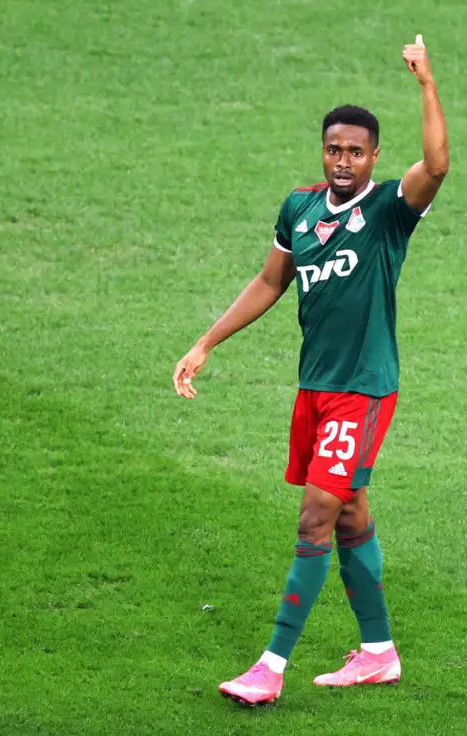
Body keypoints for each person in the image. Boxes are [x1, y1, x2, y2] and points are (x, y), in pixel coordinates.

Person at [172, 34, 448, 706]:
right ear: (323, 151)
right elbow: (271, 281)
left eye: (355, 151)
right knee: (350, 516)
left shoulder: (388, 211)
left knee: (314, 518)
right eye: (333, 150)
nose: (343, 161)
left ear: (374, 156)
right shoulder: (299, 208)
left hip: (363, 390)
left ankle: (270, 667)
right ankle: (378, 653)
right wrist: (207, 342)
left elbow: (437, 166)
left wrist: (426, 84)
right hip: (316, 389)